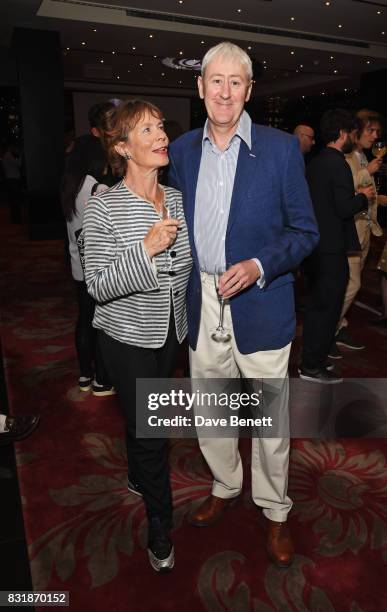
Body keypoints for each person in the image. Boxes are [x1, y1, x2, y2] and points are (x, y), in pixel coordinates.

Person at [168, 41, 319, 568]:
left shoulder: (280, 149)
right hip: (202, 296)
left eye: (237, 82)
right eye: (216, 81)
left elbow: (306, 231)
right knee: (211, 407)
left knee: (270, 418)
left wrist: (259, 265)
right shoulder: (183, 151)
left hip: (260, 297)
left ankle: (275, 510)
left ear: (250, 90)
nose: (225, 91)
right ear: (200, 86)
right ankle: (226, 484)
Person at [83, 99, 192, 572]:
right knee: (154, 432)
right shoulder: (103, 206)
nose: (162, 136)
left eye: (161, 127)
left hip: (171, 332)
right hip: (125, 337)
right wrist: (146, 250)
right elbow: (99, 285)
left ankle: (135, 471)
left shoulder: (178, 199)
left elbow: (186, 266)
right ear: (123, 147)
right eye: (148, 130)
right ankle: (160, 524)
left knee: (139, 414)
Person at [299, 109, 374, 384]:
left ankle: (313, 361)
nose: (353, 138)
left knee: (319, 306)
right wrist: (362, 197)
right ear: (342, 134)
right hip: (331, 248)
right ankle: (311, 366)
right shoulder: (338, 163)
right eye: (352, 133)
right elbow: (344, 208)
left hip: (315, 246)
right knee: (327, 308)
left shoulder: (316, 162)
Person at [62, 136, 115, 396]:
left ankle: (85, 375)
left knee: (84, 320)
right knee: (103, 323)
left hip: (77, 266)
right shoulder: (97, 189)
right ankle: (102, 380)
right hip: (98, 270)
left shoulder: (70, 186)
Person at [333, 109, 387, 355]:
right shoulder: (347, 157)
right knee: (351, 284)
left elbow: (369, 195)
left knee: (349, 284)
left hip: (364, 230)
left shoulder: (362, 156)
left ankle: (338, 327)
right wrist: (369, 173)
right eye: (371, 131)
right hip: (351, 231)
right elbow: (346, 186)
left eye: (377, 132)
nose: (375, 136)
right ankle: (328, 332)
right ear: (356, 133)